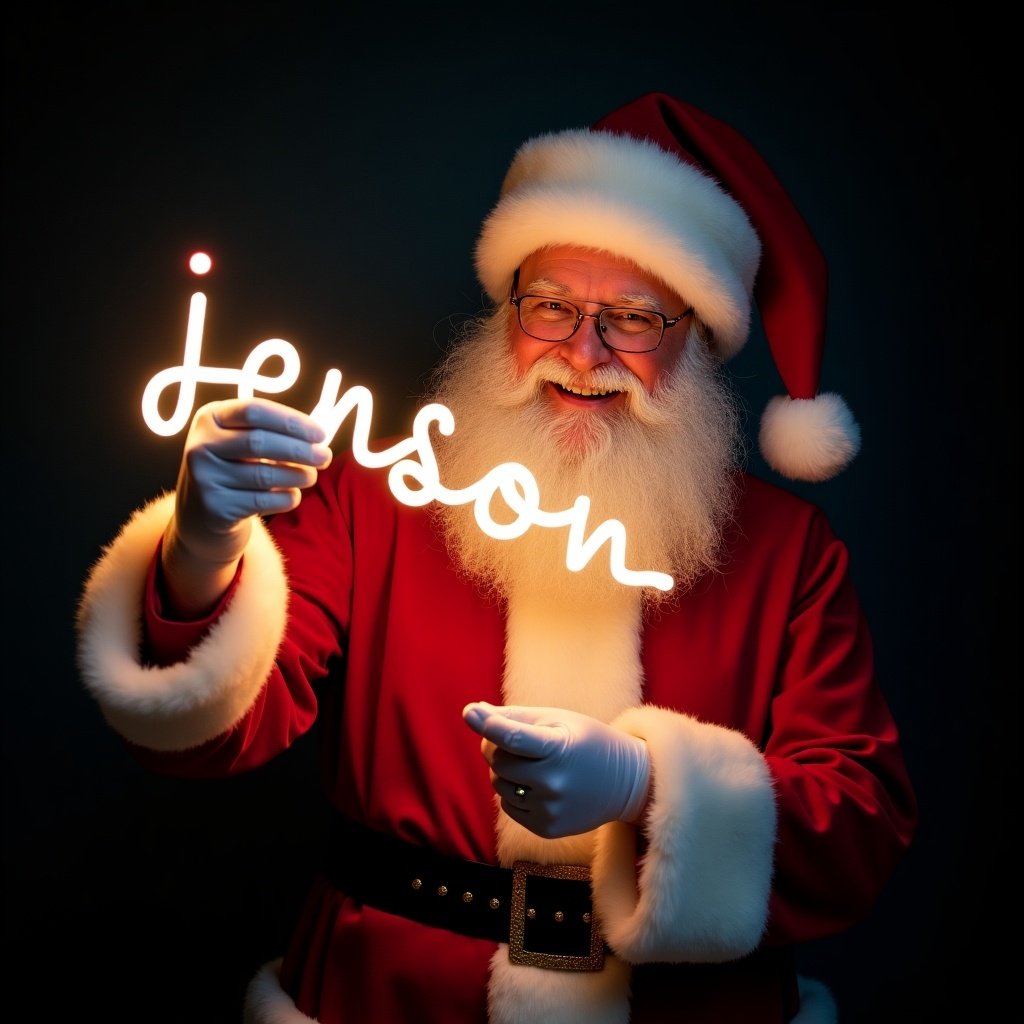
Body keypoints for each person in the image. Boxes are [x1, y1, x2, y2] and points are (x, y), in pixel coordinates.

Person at [75, 92, 918, 1024]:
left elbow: (861, 823)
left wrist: (649, 790)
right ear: (508, 312)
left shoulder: (788, 552)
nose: (583, 351)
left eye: (634, 319)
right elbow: (211, 735)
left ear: (698, 342)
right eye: (551, 305)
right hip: (387, 994)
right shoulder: (376, 496)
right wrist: (200, 551)